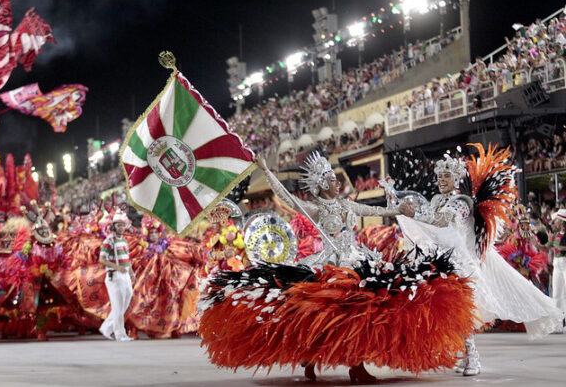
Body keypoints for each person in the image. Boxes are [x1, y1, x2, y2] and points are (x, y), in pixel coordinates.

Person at [199, 152, 476, 383]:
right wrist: (267, 171)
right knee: (324, 312)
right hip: (330, 263)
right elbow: (286, 198)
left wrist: (398, 210)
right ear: (321, 186)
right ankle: (312, 357)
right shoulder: (316, 208)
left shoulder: (347, 205)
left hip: (356, 258)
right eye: (331, 180)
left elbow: (376, 211)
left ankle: (357, 364)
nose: (337, 183)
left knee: (361, 313)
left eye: (336, 179)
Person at [398, 146, 565, 377]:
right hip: (442, 263)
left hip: (462, 264)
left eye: (447, 176)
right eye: (439, 176)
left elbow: (440, 220)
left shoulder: (462, 203)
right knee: (449, 312)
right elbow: (426, 218)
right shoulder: (436, 199)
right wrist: (399, 207)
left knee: (463, 312)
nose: (442, 180)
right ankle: (463, 355)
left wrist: (413, 214)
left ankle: (473, 357)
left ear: (456, 179)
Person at [99, 211, 136, 342]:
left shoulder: (124, 240)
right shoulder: (109, 240)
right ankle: (120, 334)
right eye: (119, 225)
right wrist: (116, 267)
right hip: (114, 276)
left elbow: (127, 258)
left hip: (125, 275)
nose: (121, 228)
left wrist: (131, 273)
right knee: (118, 306)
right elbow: (102, 259)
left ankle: (106, 328)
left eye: (123, 225)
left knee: (124, 304)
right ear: (114, 226)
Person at [551, 209, 566, 330]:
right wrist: (535, 243)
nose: (555, 221)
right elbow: (546, 248)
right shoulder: (555, 235)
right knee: (556, 294)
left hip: (565, 262)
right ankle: (557, 324)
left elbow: (560, 247)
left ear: (561, 221)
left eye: (556, 219)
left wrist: (562, 247)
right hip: (556, 264)